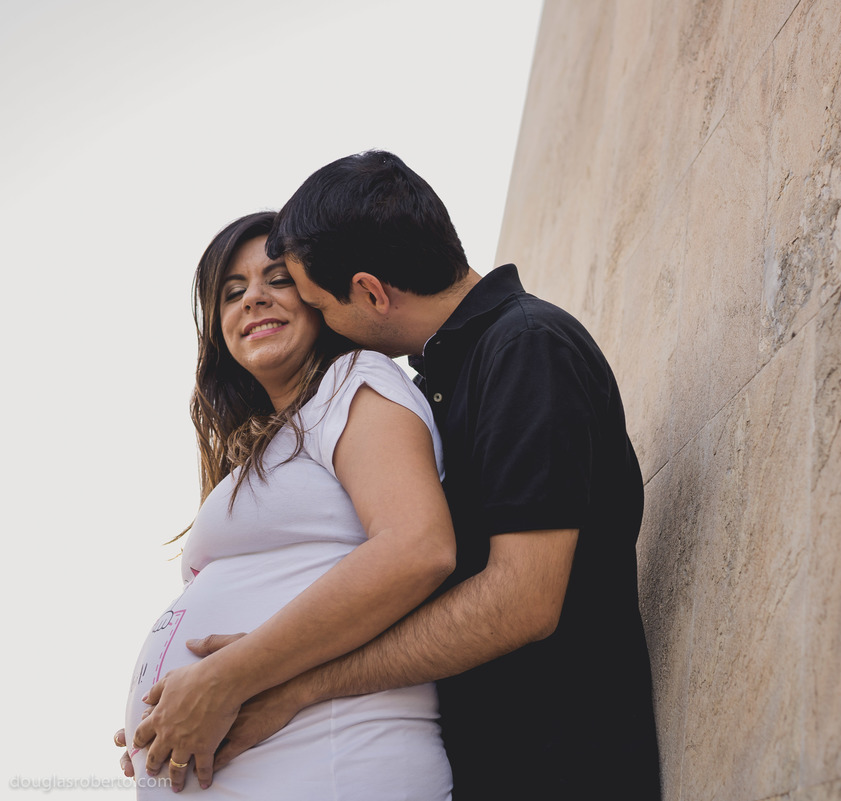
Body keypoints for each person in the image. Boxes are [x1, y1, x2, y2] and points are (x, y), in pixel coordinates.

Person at [125, 151, 663, 799]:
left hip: (559, 767)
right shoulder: (449, 375)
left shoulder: (527, 347)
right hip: (499, 764)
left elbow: (521, 600)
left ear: (372, 292)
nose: (324, 324)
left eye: (314, 300)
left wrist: (285, 683)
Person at [121, 211, 456, 798]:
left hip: (338, 763)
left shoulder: (354, 379)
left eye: (277, 280)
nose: (253, 298)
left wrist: (224, 678)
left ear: (319, 295)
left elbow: (417, 548)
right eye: (232, 292)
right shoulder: (267, 442)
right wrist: (162, 712)